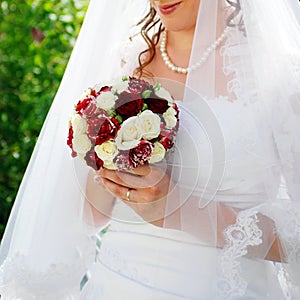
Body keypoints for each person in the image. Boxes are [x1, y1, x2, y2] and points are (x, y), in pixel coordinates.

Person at [0, 0, 300, 299]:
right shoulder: (127, 58)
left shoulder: (274, 69)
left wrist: (178, 209)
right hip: (114, 287)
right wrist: (108, 159)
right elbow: (94, 214)